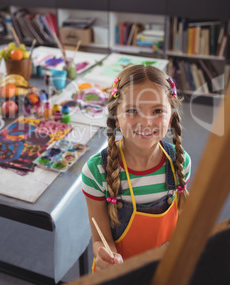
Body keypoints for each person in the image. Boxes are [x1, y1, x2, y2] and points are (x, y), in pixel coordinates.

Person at [81, 65, 191, 271]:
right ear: (115, 115)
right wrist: (104, 256)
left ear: (172, 117)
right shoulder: (96, 172)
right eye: (132, 110)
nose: (146, 122)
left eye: (158, 111)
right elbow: (100, 240)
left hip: (164, 270)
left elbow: (183, 221)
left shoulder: (180, 162)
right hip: (119, 276)